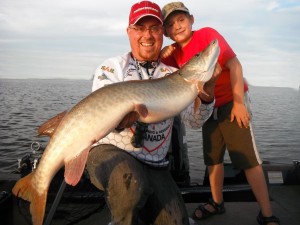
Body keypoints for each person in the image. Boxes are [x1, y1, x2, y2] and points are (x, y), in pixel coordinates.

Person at [86, 1, 219, 225]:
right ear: (129, 32)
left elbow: (194, 121)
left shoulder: (174, 74)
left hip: (155, 162)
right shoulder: (112, 67)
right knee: (130, 184)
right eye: (140, 28)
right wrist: (118, 121)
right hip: (109, 151)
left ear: (162, 34)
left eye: (154, 29)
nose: (147, 35)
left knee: (176, 220)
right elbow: (101, 110)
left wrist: (207, 93)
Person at [160, 2, 280, 225]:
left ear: (191, 19)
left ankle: (267, 214)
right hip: (208, 107)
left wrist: (238, 103)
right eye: (170, 24)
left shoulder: (207, 35)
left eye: (181, 20)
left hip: (231, 104)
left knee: (248, 160)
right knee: (212, 159)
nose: (177, 26)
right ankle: (217, 202)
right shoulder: (173, 53)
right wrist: (161, 52)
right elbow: (155, 69)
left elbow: (234, 64)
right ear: (166, 32)